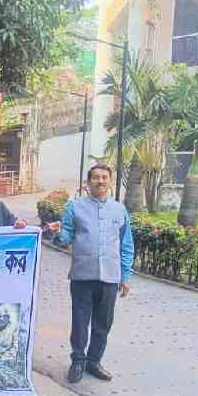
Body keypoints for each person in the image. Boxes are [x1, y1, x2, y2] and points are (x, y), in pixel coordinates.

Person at [50, 164, 133, 384]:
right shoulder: (75, 207)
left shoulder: (119, 210)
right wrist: (59, 235)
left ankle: (94, 361)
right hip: (82, 275)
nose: (100, 181)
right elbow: (66, 235)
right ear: (88, 183)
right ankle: (78, 360)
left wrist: (126, 276)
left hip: (110, 276)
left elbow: (126, 245)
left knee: (103, 322)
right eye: (95, 177)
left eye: (104, 177)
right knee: (80, 320)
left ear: (110, 181)